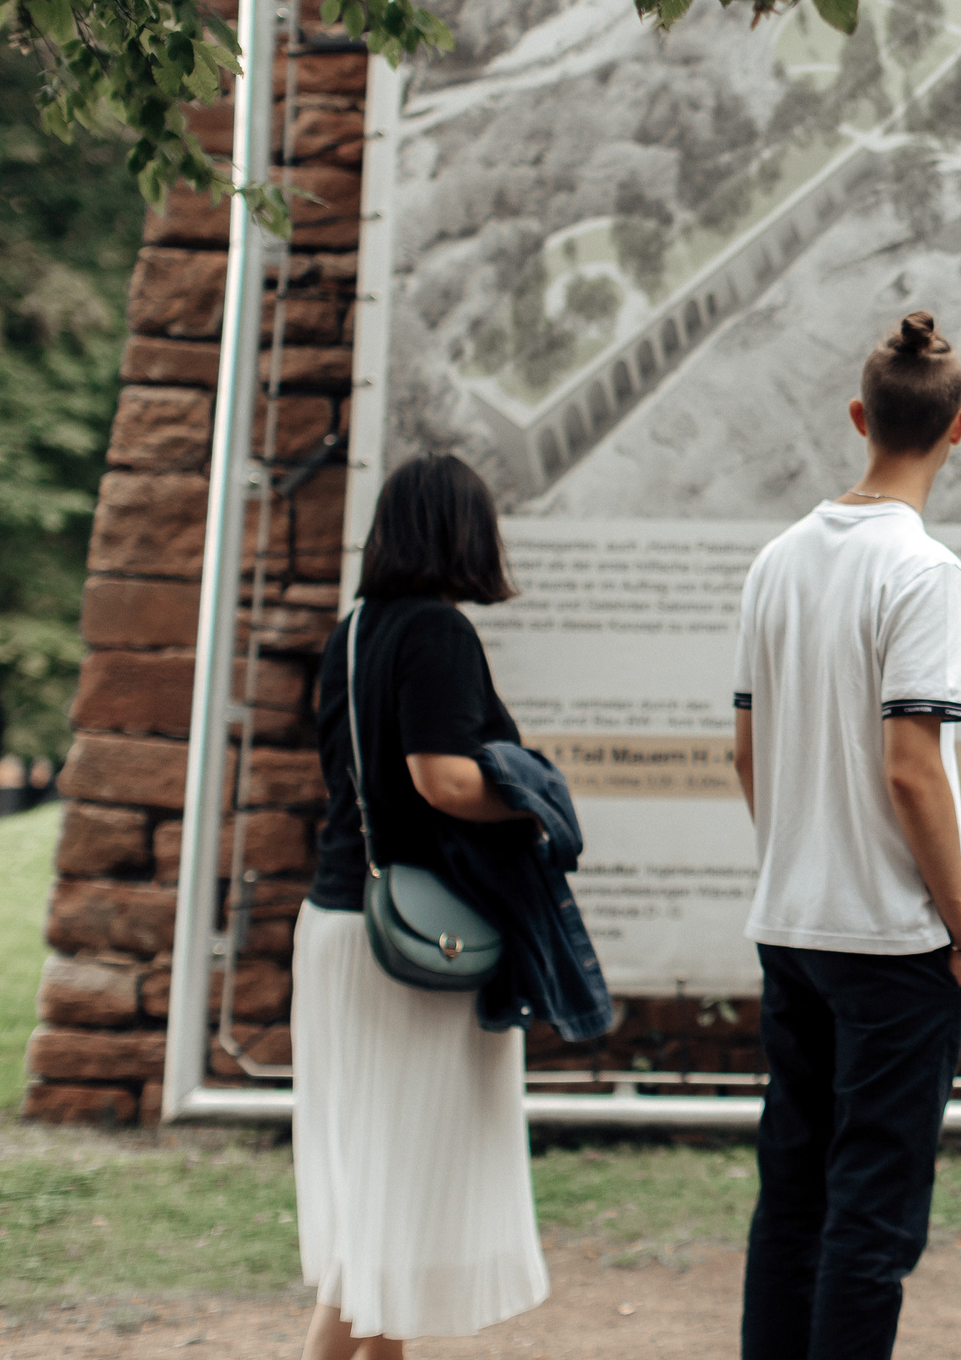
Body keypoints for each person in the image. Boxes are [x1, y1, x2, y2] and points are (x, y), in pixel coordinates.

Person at [732, 311, 961, 1360]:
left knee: (791, 1194)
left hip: (791, 924)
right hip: (889, 939)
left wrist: (798, 856)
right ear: (958, 428)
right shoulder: (924, 570)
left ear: (857, 416)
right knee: (873, 1213)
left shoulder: (776, 560)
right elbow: (910, 767)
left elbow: (745, 750)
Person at [298, 454, 550, 1359]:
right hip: (413, 940)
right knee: (397, 1191)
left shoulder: (355, 631)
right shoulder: (437, 632)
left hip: (343, 922)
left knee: (384, 1182)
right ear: (461, 531)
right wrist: (531, 799)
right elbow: (440, 779)